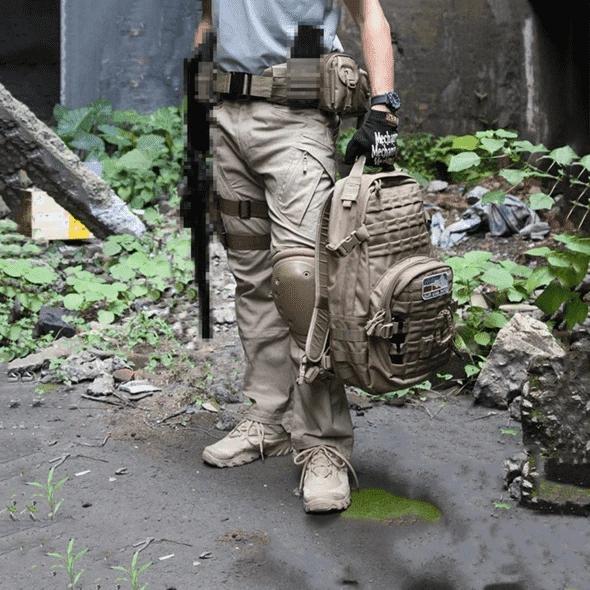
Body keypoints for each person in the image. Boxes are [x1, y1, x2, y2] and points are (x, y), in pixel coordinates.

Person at [194, 0, 400, 513]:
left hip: (296, 119)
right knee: (251, 275)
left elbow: (369, 14)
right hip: (226, 118)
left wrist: (383, 108)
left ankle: (324, 445)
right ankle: (268, 416)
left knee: (302, 284)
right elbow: (208, 19)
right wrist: (199, 104)